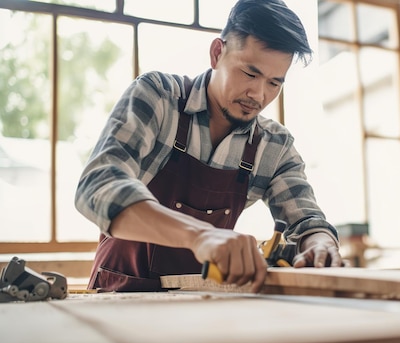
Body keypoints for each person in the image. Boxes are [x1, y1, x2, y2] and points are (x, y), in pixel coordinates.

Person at [74, 0, 342, 293]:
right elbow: (97, 187)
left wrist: (320, 243)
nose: (258, 94)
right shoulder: (159, 98)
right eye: (250, 74)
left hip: (202, 305)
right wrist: (200, 236)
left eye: (274, 83)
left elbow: (306, 220)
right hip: (118, 298)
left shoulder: (274, 147)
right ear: (217, 52)